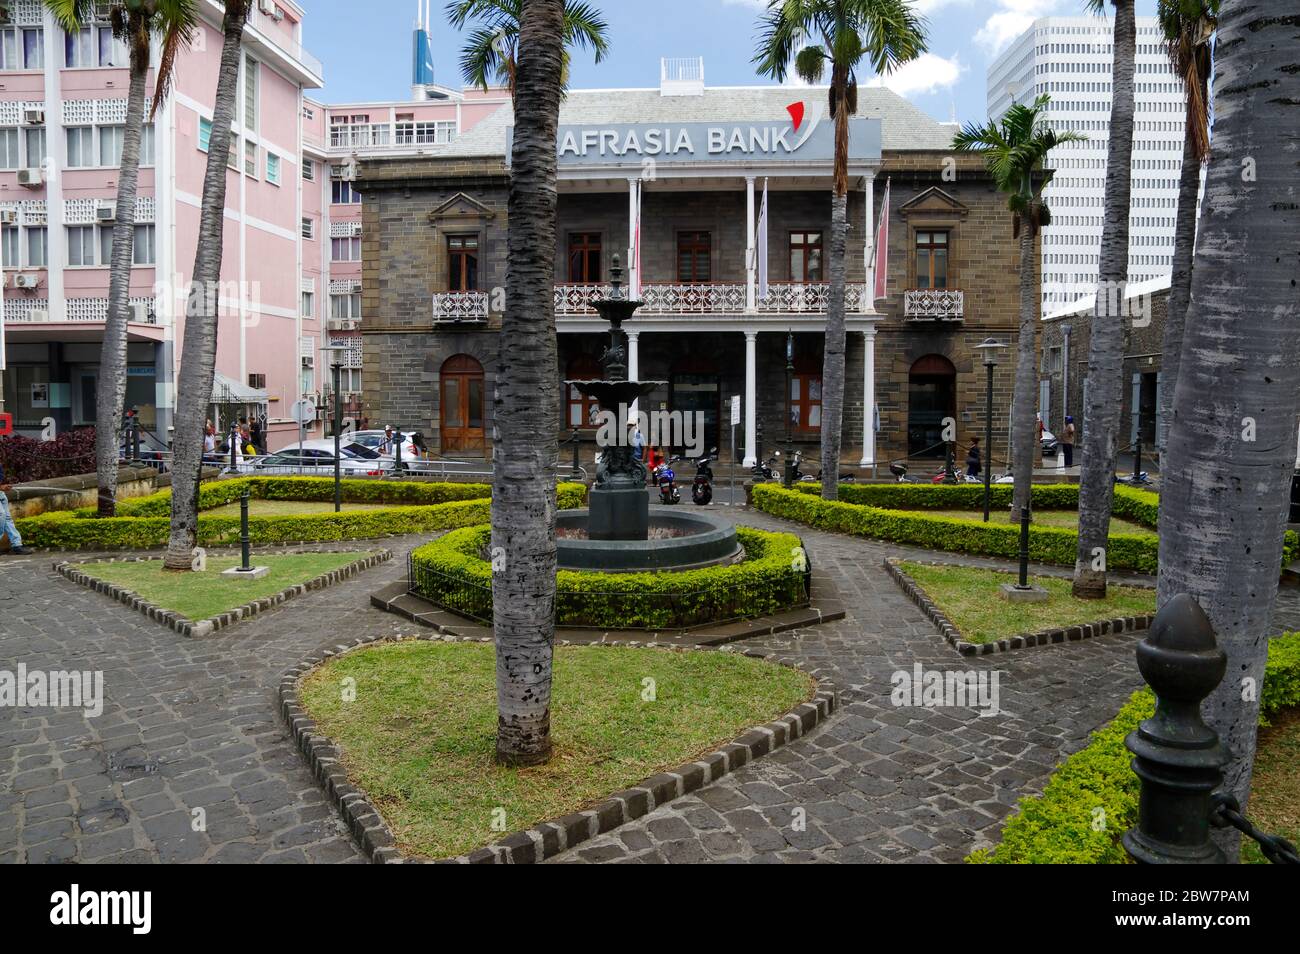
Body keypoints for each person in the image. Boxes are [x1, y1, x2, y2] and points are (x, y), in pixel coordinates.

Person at [0, 462, 32, 555]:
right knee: (1, 516)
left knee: (7, 519)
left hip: (1, 494)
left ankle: (17, 545)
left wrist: (4, 485)